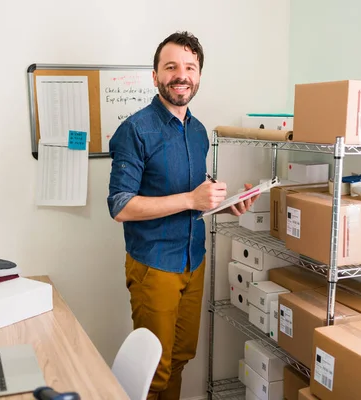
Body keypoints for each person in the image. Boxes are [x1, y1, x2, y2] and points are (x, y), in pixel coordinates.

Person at [107, 31, 257, 399]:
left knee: (180, 358)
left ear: (199, 75)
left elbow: (193, 190)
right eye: (171, 66)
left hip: (194, 259)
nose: (181, 75)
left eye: (190, 67)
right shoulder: (134, 130)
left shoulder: (198, 131)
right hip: (154, 264)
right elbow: (120, 206)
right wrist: (192, 200)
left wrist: (223, 201)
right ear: (155, 75)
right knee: (154, 370)